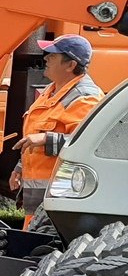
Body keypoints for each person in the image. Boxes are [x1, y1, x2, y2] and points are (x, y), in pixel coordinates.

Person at [9, 34, 103, 227]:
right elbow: (34, 136)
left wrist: (45, 139)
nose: (45, 59)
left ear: (70, 65)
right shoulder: (51, 91)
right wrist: (20, 167)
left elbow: (88, 147)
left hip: (61, 203)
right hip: (40, 203)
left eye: (52, 55)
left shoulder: (86, 98)